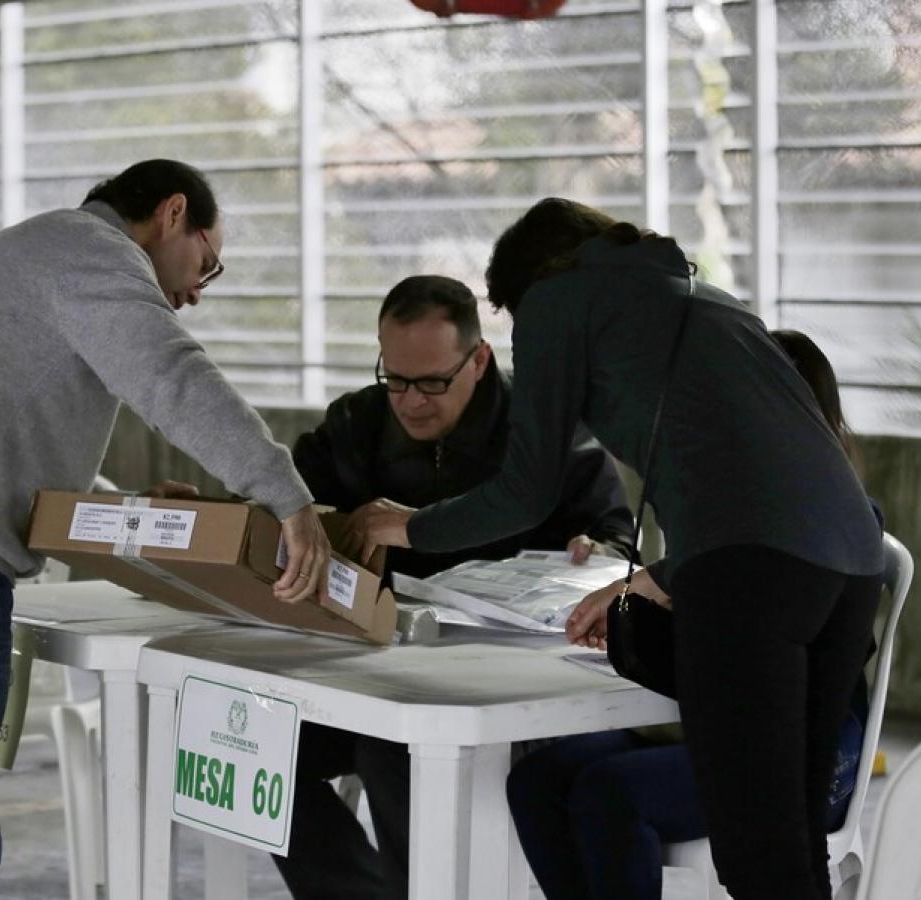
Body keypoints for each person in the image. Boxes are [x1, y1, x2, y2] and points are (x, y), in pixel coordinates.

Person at [351, 199, 884, 900]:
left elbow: (526, 490)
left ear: (523, 288)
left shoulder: (556, 304)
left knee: (757, 854)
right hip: (852, 565)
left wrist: (405, 527)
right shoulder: (704, 299)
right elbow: (785, 483)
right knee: (789, 843)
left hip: (751, 574)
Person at [0, 159, 332, 899]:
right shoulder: (91, 253)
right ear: (170, 214)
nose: (194, 291)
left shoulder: (40, 253)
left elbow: (13, 451)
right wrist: (287, 498)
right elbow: (170, 377)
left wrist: (127, 503)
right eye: (205, 264)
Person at [273, 274, 634, 899]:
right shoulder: (356, 424)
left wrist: (599, 551)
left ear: (479, 359)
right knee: (249, 741)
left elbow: (618, 545)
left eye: (433, 382)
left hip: (514, 690)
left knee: (396, 747)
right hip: (373, 671)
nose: (411, 402)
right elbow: (281, 507)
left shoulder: (546, 432)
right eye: (396, 379)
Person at [501, 327, 880, 900]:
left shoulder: (843, 519)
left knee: (611, 791)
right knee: (539, 778)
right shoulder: (724, 507)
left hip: (809, 754)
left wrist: (662, 577)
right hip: (698, 723)